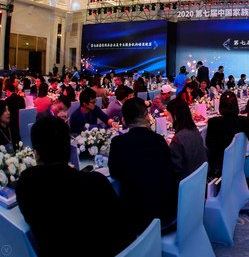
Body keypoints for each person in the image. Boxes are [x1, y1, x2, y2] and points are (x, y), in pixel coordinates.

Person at [16, 116, 135, 257]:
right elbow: (124, 230)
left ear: (36, 153)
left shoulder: (26, 185)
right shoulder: (96, 183)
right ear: (69, 148)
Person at [109, 97, 179, 235]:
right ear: (147, 116)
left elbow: (115, 173)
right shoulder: (159, 140)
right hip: (170, 214)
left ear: (124, 120)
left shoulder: (118, 143)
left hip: (140, 222)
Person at [205, 91, 249, 178]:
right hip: (239, 158)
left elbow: (209, 145)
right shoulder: (244, 121)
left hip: (221, 161)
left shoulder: (213, 122)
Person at [166, 99, 208, 181]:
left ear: (175, 116)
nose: (167, 118)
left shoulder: (178, 139)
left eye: (169, 115)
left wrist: (168, 147)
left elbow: (175, 168)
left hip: (186, 181)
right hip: (201, 177)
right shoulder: (195, 130)